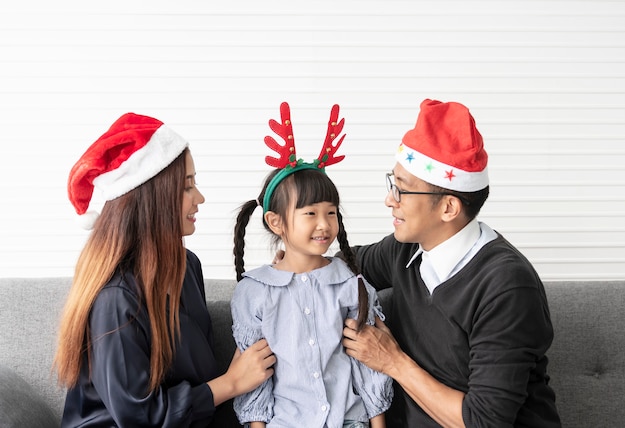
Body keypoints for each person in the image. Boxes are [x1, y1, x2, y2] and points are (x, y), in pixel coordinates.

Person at [341, 99, 561, 427]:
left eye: (402, 190)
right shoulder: (403, 250)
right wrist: (293, 260)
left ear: (448, 208)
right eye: (392, 183)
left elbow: (483, 422)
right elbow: (346, 264)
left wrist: (393, 361)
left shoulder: (507, 286)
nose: (389, 200)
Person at [54, 113, 276, 427]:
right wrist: (232, 383)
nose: (200, 198)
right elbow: (138, 417)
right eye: (187, 187)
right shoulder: (116, 299)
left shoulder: (188, 267)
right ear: (151, 199)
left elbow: (199, 380)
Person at [231, 102, 393, 428]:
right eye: (310, 213)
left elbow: (367, 366)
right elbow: (254, 379)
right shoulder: (255, 292)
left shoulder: (349, 283)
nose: (324, 224)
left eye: (330, 212)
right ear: (276, 222)